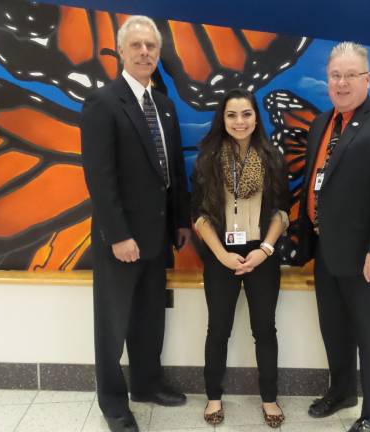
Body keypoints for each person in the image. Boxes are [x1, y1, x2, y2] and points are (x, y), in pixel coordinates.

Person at [79, 15, 191, 432]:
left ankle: (147, 383)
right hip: (121, 239)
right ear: (121, 52)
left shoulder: (162, 104)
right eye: (137, 46)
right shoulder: (103, 104)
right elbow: (100, 178)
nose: (145, 52)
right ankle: (113, 401)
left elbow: (173, 168)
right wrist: (119, 235)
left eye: (152, 47)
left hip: (159, 235)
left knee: (149, 316)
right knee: (113, 323)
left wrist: (180, 220)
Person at [298, 42, 370, 432]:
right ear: (327, 80)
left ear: (368, 79)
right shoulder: (322, 123)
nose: (342, 82)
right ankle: (342, 391)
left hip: (366, 257)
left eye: (351, 75)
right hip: (325, 251)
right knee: (333, 329)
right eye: (335, 75)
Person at [191, 88, 290, 428]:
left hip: (262, 253)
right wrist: (221, 255)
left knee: (265, 329)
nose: (239, 121)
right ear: (223, 118)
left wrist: (264, 250)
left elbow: (281, 211)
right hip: (221, 255)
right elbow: (200, 216)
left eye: (246, 114)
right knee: (218, 329)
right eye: (232, 115)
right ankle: (213, 397)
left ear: (256, 117)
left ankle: (269, 398)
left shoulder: (273, 158)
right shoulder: (208, 159)